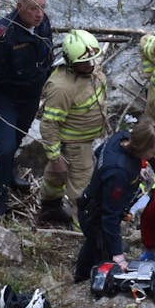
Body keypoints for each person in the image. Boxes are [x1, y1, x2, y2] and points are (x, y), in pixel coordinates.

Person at [0, 0, 53, 219]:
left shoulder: (44, 24)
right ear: (19, 7)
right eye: (33, 9)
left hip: (30, 97)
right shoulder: (2, 33)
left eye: (42, 8)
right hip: (4, 98)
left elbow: (46, 57)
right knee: (5, 147)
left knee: (16, 141)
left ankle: (8, 175)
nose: (38, 14)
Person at [73, 119, 155, 282]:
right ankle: (84, 280)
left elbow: (98, 152)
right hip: (96, 216)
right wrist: (118, 255)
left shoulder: (120, 137)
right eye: (153, 153)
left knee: (92, 244)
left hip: (91, 201)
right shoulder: (119, 172)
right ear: (142, 149)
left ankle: (81, 275)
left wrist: (138, 171)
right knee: (103, 257)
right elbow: (110, 217)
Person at [37, 29, 110, 226]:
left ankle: (49, 210)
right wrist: (55, 156)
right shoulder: (62, 88)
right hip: (75, 146)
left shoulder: (91, 70)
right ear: (70, 61)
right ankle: (85, 230)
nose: (90, 65)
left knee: (54, 178)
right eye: (84, 62)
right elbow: (49, 124)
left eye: (91, 60)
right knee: (83, 190)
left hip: (85, 140)